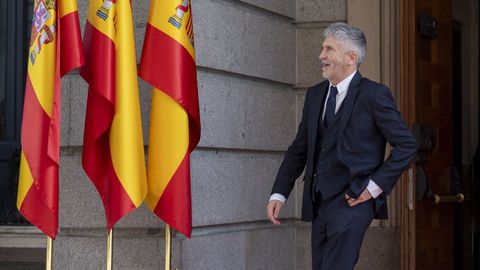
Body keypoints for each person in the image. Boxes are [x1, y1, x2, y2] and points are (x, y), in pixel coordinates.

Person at [266, 23, 417, 270]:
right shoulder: (315, 95)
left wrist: (373, 187)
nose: (321, 56)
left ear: (351, 58)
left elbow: (407, 144)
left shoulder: (374, 95)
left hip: (353, 201)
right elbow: (299, 149)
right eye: (322, 48)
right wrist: (279, 193)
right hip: (319, 203)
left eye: (329, 49)